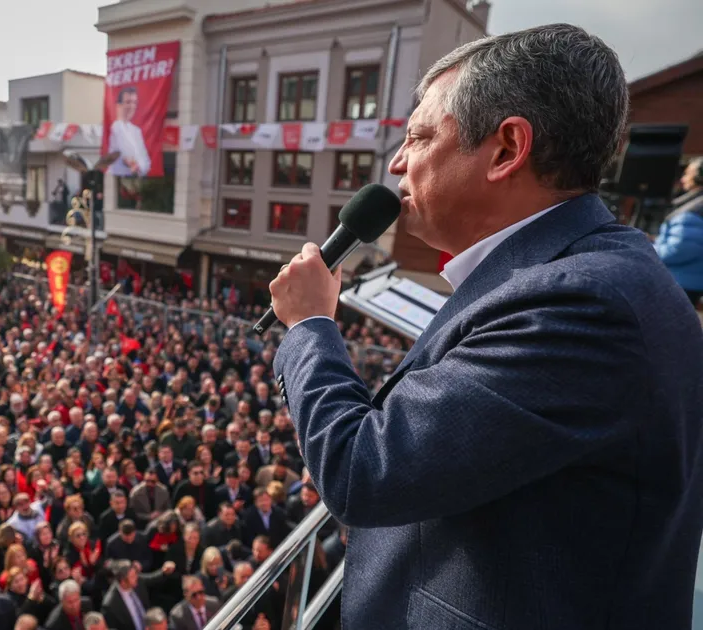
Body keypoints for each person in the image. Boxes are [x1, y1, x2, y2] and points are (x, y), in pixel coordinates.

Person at [268, 24, 703, 629]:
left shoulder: (582, 304)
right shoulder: (586, 275)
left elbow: (364, 471)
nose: (397, 162)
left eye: (419, 137)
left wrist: (310, 326)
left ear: (507, 149)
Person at [653, 156, 703, 304]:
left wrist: (648, 249)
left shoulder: (695, 209)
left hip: (680, 284)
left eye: (688, 173)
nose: (683, 178)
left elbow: (680, 249)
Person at [106, 87, 151, 177]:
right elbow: (119, 156)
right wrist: (128, 162)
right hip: (119, 177)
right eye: (128, 102)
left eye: (134, 103)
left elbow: (146, 162)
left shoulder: (136, 131)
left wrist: (138, 166)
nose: (131, 106)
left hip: (135, 177)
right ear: (119, 105)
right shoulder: (114, 128)